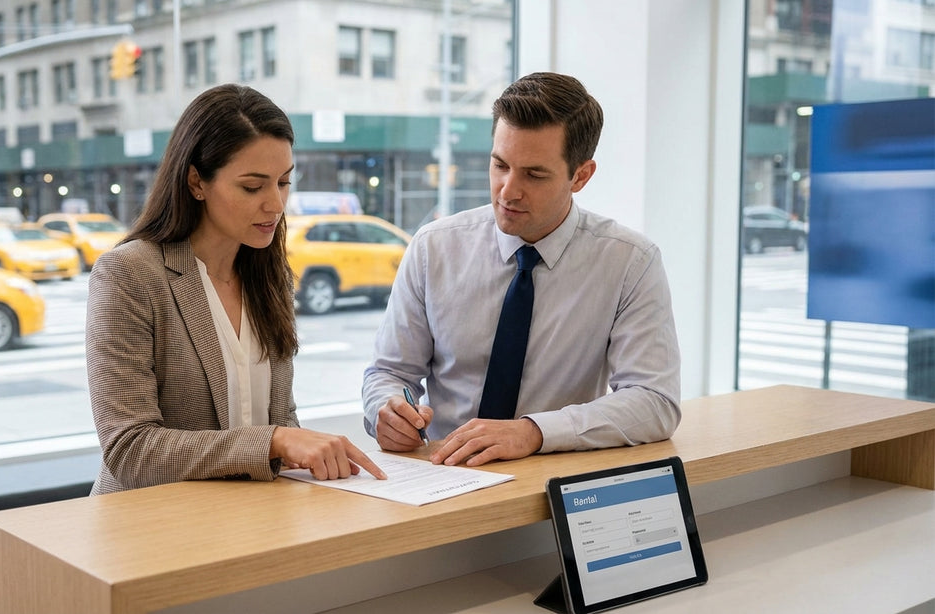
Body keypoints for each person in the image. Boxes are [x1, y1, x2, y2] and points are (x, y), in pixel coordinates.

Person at [363, 72, 681, 468]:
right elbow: (388, 372)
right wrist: (387, 410)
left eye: (534, 174)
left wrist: (534, 432)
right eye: (500, 165)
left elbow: (655, 401)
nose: (508, 191)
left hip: (553, 484)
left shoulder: (630, 262)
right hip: (441, 478)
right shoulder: (434, 247)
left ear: (580, 175)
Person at [86, 84, 385, 495]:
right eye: (252, 187)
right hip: (148, 533)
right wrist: (275, 441)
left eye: (283, 182)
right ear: (196, 182)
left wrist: (304, 450)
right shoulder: (129, 275)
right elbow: (130, 449)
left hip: (247, 523)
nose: (276, 205)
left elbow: (277, 417)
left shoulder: (271, 276)